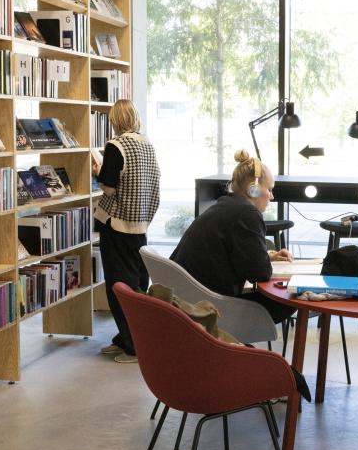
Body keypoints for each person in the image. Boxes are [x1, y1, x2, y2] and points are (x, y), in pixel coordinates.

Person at [170, 149, 296, 324]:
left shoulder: (224, 205)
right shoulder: (247, 213)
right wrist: (263, 262)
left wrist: (268, 256)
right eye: (270, 189)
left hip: (187, 300)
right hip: (211, 309)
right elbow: (260, 273)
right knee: (294, 297)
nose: (272, 196)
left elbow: (226, 254)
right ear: (254, 190)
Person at [92, 100, 160, 363]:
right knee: (137, 284)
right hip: (140, 223)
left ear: (115, 120)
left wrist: (98, 170)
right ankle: (127, 339)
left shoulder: (115, 145)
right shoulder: (147, 144)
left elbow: (109, 188)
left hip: (117, 224)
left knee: (118, 287)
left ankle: (133, 346)